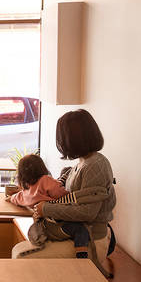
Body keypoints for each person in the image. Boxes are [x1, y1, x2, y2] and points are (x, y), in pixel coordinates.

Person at [11, 109, 117, 263]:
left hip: (91, 239)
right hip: (76, 233)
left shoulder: (95, 165)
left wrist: (45, 208)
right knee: (19, 249)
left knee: (21, 256)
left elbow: (88, 213)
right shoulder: (85, 162)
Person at [9, 154, 91, 259]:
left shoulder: (27, 190)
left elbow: (18, 198)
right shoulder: (45, 180)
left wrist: (11, 198)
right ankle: (82, 255)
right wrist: (68, 192)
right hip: (57, 219)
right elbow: (60, 193)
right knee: (81, 229)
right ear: (41, 167)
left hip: (44, 224)